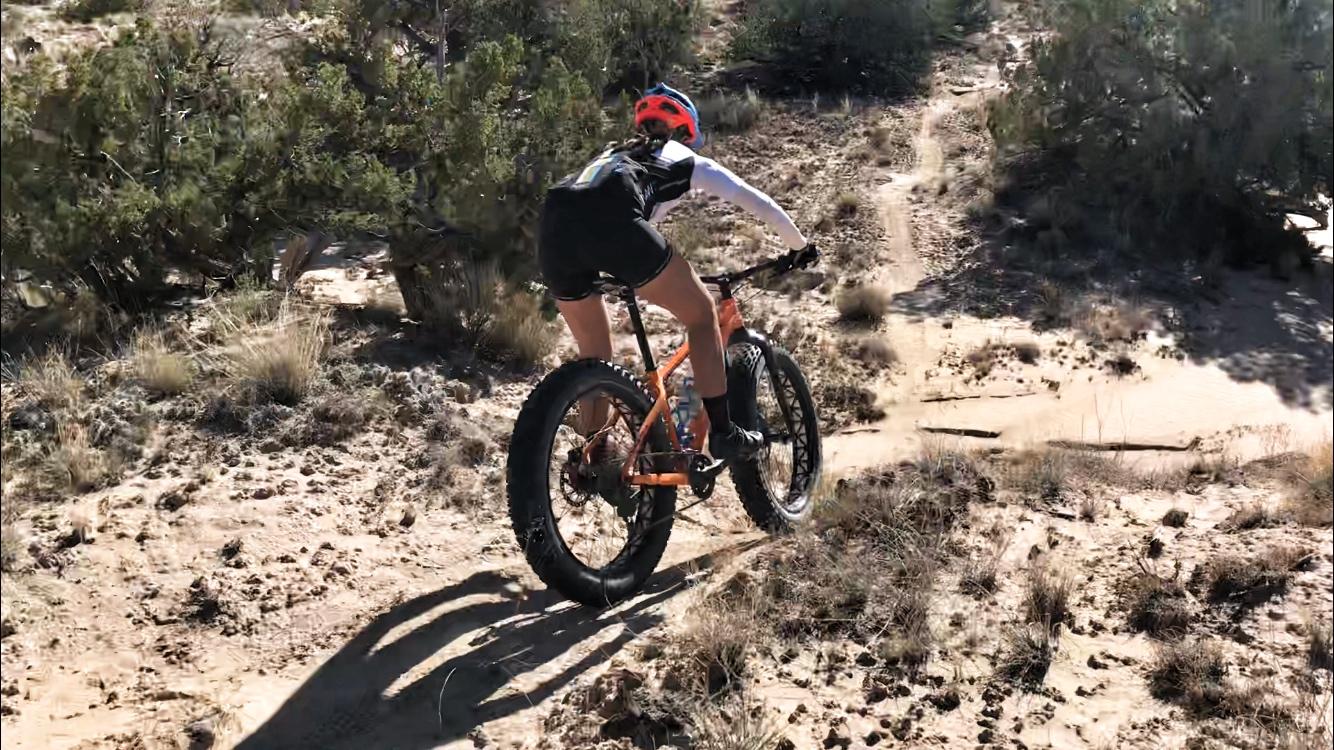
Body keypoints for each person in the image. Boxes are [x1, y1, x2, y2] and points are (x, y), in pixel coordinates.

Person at [538, 83, 812, 462]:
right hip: (612, 222)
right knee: (701, 314)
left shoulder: (613, 155)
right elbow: (755, 200)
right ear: (685, 130)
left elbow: (630, 217)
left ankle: (594, 454)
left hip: (553, 224)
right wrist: (799, 245)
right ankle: (724, 433)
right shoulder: (682, 157)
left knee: (595, 353)